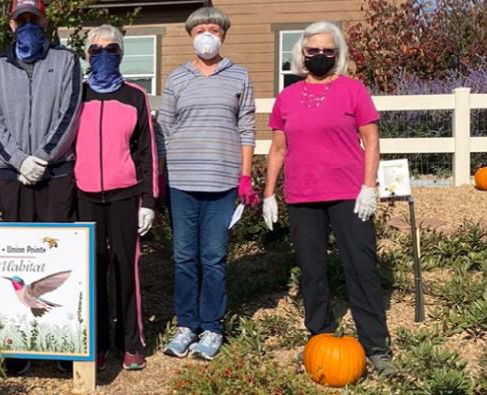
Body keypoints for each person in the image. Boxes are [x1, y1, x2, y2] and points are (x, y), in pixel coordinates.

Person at [261, 21, 394, 376]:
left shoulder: (353, 90)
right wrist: (269, 194)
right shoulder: (287, 97)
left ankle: (376, 346)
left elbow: (372, 141)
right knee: (312, 269)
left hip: (349, 195)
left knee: (361, 266)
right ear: (301, 54)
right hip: (303, 196)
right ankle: (319, 334)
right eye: (312, 51)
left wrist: (369, 186)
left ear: (337, 54)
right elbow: (277, 149)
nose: (320, 56)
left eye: (327, 51)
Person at [0, 0, 83, 375]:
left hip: (56, 172)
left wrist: (42, 156)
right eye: (20, 18)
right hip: (12, 175)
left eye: (33, 18)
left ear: (44, 21)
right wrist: (18, 160)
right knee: (17, 261)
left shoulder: (67, 60)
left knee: (57, 258)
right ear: (10, 24)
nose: (27, 24)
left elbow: (71, 111)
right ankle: (18, 344)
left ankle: (61, 343)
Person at [157, 5, 257, 361]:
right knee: (184, 257)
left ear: (223, 35)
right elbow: (164, 129)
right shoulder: (177, 78)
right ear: (191, 36)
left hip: (223, 182)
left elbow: (247, 128)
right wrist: (162, 175)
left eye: (213, 30)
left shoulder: (239, 76)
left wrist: (245, 176)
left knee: (213, 258)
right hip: (182, 182)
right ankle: (186, 325)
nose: (207, 37)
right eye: (200, 31)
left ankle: (212, 327)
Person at [72, 25, 160, 371]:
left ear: (121, 54)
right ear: (87, 55)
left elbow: (147, 153)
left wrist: (149, 202)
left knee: (127, 268)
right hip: (85, 195)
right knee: (92, 269)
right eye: (95, 49)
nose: (103, 54)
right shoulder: (76, 95)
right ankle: (97, 341)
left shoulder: (135, 96)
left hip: (125, 195)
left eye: (110, 48)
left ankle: (131, 342)